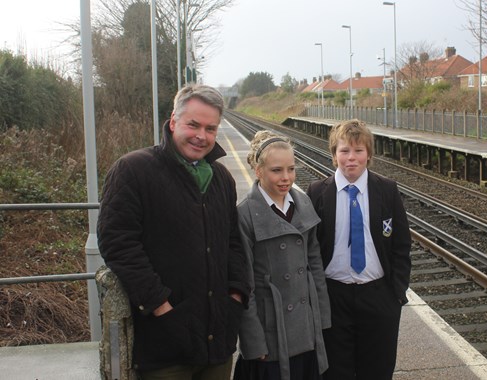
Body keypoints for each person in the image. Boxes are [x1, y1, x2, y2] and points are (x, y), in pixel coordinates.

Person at [97, 84, 250, 380]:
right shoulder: (134, 170)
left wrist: (236, 296)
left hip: (217, 340)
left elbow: (233, 243)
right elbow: (118, 243)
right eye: (193, 124)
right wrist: (161, 308)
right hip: (163, 346)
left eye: (210, 128)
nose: (201, 136)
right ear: (173, 122)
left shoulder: (222, 179)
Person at [307, 119, 411, 380]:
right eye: (344, 151)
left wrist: (396, 293)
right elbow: (310, 248)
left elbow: (401, 244)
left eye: (358, 151)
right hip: (333, 297)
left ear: (369, 155)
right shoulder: (318, 192)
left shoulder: (387, 190)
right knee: (334, 372)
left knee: (377, 371)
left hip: (378, 296)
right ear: (333, 155)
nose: (351, 158)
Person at [233, 131, 331, 380]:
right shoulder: (245, 214)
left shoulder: (303, 202)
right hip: (271, 333)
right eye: (277, 170)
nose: (286, 178)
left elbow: (315, 265)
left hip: (305, 329)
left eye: (291, 169)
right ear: (258, 170)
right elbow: (245, 286)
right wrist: (253, 343)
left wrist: (320, 321)